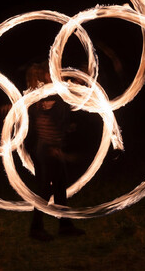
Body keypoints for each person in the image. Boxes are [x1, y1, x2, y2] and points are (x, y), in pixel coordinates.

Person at [26, 61, 85, 241]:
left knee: (59, 187)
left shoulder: (51, 94)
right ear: (43, 76)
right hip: (48, 149)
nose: (55, 73)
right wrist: (52, 147)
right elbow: (43, 124)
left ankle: (65, 226)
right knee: (46, 189)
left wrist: (67, 127)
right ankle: (36, 228)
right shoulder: (46, 97)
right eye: (50, 72)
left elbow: (55, 119)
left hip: (52, 147)